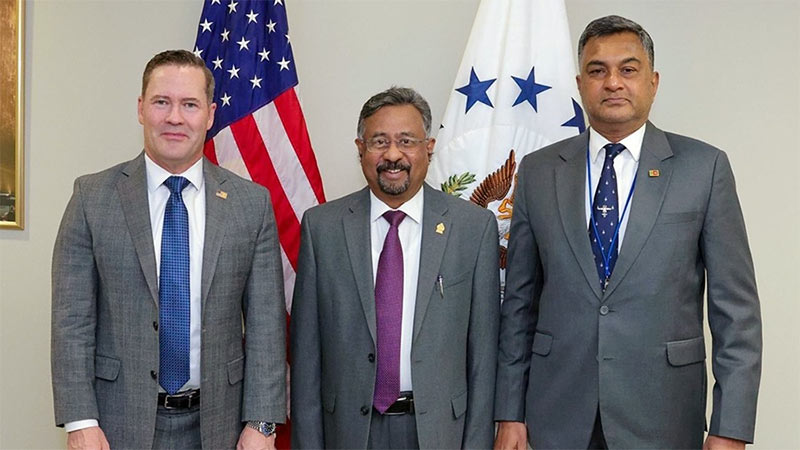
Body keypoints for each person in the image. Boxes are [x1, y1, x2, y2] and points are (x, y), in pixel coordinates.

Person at [493, 15, 762, 450]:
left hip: (663, 415)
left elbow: (738, 314)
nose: (613, 82)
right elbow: (520, 304)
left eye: (628, 69)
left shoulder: (704, 168)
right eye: (598, 71)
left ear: (653, 82)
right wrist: (509, 413)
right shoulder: (540, 171)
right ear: (580, 84)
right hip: (555, 415)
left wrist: (729, 427)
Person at [51, 50, 286, 450]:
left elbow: (266, 326)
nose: (175, 117)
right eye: (162, 102)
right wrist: (80, 421)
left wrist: (262, 424)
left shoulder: (251, 204)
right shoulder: (91, 197)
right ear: (141, 109)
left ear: (210, 114)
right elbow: (71, 322)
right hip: (114, 423)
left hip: (221, 425)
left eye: (189, 104)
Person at [290, 87, 500, 449]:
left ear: (428, 147)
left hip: (438, 433)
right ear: (360, 149)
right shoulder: (321, 228)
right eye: (379, 142)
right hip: (350, 432)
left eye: (406, 141)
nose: (392, 155)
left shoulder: (473, 228)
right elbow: (307, 357)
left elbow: (483, 356)